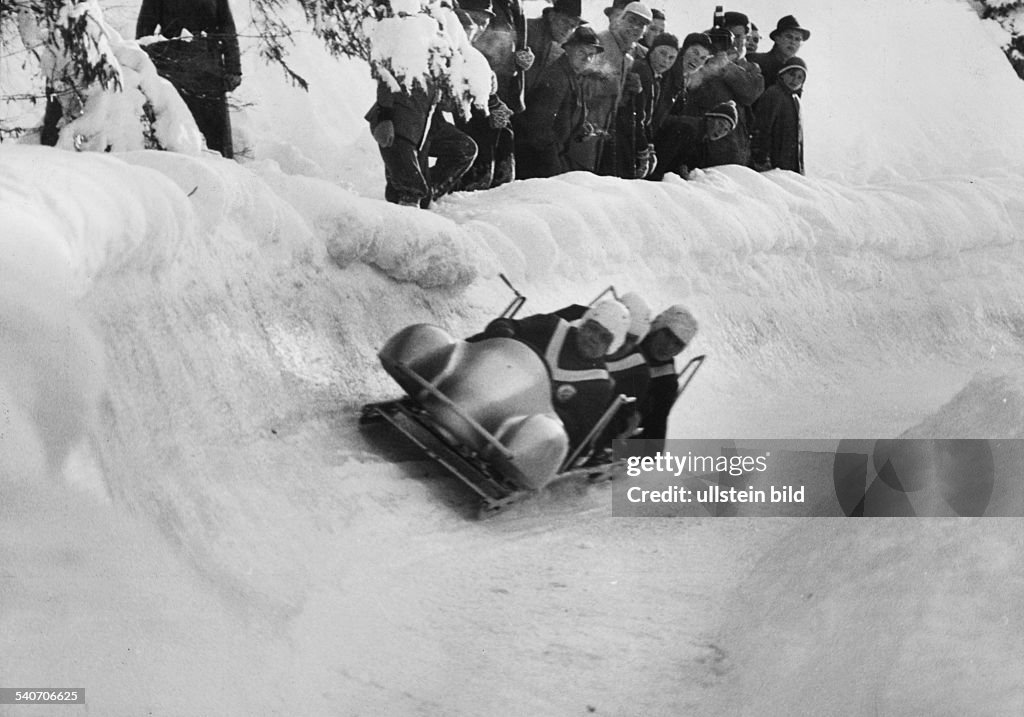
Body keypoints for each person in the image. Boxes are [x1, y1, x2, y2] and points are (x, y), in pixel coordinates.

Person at [473, 299, 631, 452]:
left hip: (516, 434)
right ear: (583, 324)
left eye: (604, 337)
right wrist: (504, 333)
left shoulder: (598, 384)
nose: (594, 338)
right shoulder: (552, 327)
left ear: (612, 346)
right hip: (488, 391)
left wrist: (545, 408)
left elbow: (577, 431)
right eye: (593, 328)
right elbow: (508, 325)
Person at [136, 0, 242, 158]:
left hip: (208, 73)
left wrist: (233, 68)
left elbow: (226, 27)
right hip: (174, 74)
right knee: (179, 138)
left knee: (216, 143)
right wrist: (143, 68)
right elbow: (145, 31)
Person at [566, 0, 652, 174]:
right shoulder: (601, 43)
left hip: (599, 134)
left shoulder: (628, 56)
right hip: (579, 129)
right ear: (619, 20)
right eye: (631, 20)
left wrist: (628, 91)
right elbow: (576, 85)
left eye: (641, 25)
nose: (634, 27)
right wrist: (614, 87)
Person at [671, 11, 762, 167]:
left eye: (739, 37)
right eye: (730, 36)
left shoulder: (750, 68)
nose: (734, 42)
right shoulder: (702, 60)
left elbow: (751, 93)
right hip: (701, 149)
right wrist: (707, 53)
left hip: (736, 151)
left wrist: (726, 65)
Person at [517, 25, 604, 178]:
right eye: (581, 52)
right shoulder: (557, 77)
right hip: (535, 161)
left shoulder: (573, 75)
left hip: (549, 155)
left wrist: (579, 126)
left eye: (591, 54)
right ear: (568, 49)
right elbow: (540, 129)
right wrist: (554, 171)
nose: (587, 58)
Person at [453, 0, 520, 191]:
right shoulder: (447, 49)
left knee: (504, 132)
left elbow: (486, 91)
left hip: (476, 116)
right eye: (474, 20)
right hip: (453, 124)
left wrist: (497, 107)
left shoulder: (477, 55)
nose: (479, 28)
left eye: (484, 22)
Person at [636, 304, 699, 449]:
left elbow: (654, 446)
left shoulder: (665, 383)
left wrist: (611, 451)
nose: (669, 346)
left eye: (678, 344)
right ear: (657, 327)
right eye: (668, 335)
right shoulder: (630, 335)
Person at [630, 32, 680, 178]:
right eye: (662, 54)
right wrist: (643, 147)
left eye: (671, 58)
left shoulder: (655, 78)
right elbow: (639, 114)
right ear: (652, 51)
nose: (665, 61)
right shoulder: (643, 71)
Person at [651, 100, 738, 179]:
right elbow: (664, 157)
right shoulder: (688, 129)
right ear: (710, 118)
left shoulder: (703, 139)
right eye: (720, 124)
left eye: (726, 130)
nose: (721, 131)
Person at [750, 56, 806, 173]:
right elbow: (762, 128)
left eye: (800, 77)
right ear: (782, 74)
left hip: (788, 167)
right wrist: (761, 159)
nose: (795, 80)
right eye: (792, 74)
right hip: (772, 166)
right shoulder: (774, 94)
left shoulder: (795, 100)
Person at [523, 0, 584, 94]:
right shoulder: (527, 30)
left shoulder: (557, 49)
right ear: (551, 16)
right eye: (565, 21)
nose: (568, 29)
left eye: (573, 26)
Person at [748, 15, 810, 88]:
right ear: (777, 38)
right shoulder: (755, 60)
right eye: (789, 37)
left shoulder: (798, 71)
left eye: (797, 39)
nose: (793, 42)